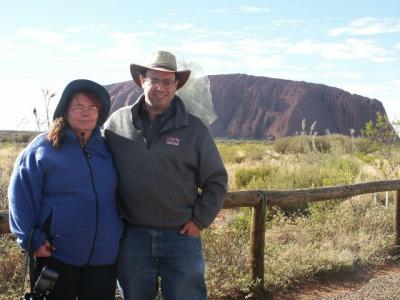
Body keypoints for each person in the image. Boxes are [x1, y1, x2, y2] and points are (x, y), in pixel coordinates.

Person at [104, 50, 228, 300]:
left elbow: (216, 180)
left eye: (167, 81)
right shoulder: (117, 124)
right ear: (142, 80)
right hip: (133, 235)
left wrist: (200, 221)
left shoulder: (194, 129)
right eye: (154, 80)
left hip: (181, 235)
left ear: (176, 85)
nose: (160, 87)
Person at [8, 79, 123, 300]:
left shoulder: (109, 149)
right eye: (78, 107)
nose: (86, 113)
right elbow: (20, 199)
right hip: (56, 256)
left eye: (93, 108)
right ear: (64, 111)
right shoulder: (42, 149)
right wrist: (33, 241)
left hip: (103, 258)